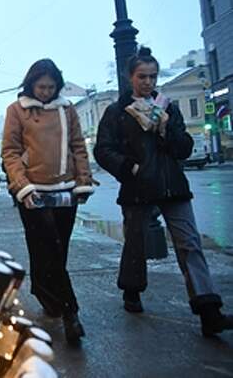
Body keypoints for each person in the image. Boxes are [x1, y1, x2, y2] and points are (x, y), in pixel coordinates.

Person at [94, 46, 233, 337]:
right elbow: (103, 150)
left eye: (153, 77)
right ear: (130, 77)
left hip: (172, 185)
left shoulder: (167, 107)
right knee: (136, 243)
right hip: (138, 187)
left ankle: (208, 310)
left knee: (189, 243)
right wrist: (129, 167)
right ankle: (131, 290)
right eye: (142, 76)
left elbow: (184, 148)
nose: (148, 82)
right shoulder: (118, 111)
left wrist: (167, 130)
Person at [2, 59, 96, 344]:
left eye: (50, 87)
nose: (45, 92)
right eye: (40, 86)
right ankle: (71, 313)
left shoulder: (66, 110)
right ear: (30, 84)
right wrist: (22, 185)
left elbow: (78, 146)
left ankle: (45, 292)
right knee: (48, 248)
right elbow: (10, 151)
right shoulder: (16, 110)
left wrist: (83, 181)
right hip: (33, 191)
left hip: (65, 190)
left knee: (57, 250)